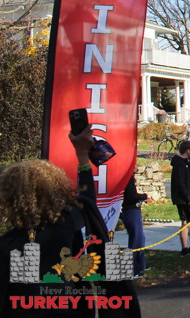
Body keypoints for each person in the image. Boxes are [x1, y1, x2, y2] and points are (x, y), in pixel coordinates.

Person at [0, 126, 141, 316]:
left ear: (9, 198)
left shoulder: (5, 246)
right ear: (56, 189)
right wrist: (82, 155)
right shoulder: (65, 225)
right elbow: (87, 200)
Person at [121, 176, 149, 277]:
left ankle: (141, 265)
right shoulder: (127, 179)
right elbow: (131, 196)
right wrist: (144, 196)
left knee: (140, 239)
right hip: (130, 211)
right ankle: (133, 270)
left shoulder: (129, 179)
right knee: (135, 241)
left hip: (133, 210)